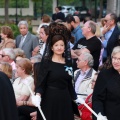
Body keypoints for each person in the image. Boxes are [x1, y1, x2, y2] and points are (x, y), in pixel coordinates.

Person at [32, 22, 77, 120]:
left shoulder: (69, 63)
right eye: (56, 45)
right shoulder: (46, 63)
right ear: (51, 47)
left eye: (62, 45)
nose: (59, 47)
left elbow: (69, 83)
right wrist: (38, 95)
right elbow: (41, 83)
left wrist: (76, 98)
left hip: (65, 99)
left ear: (65, 47)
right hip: (49, 100)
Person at [92, 46, 120, 120]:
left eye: (119, 59)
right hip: (109, 116)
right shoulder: (104, 75)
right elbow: (97, 99)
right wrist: (100, 114)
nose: (116, 61)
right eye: (114, 58)